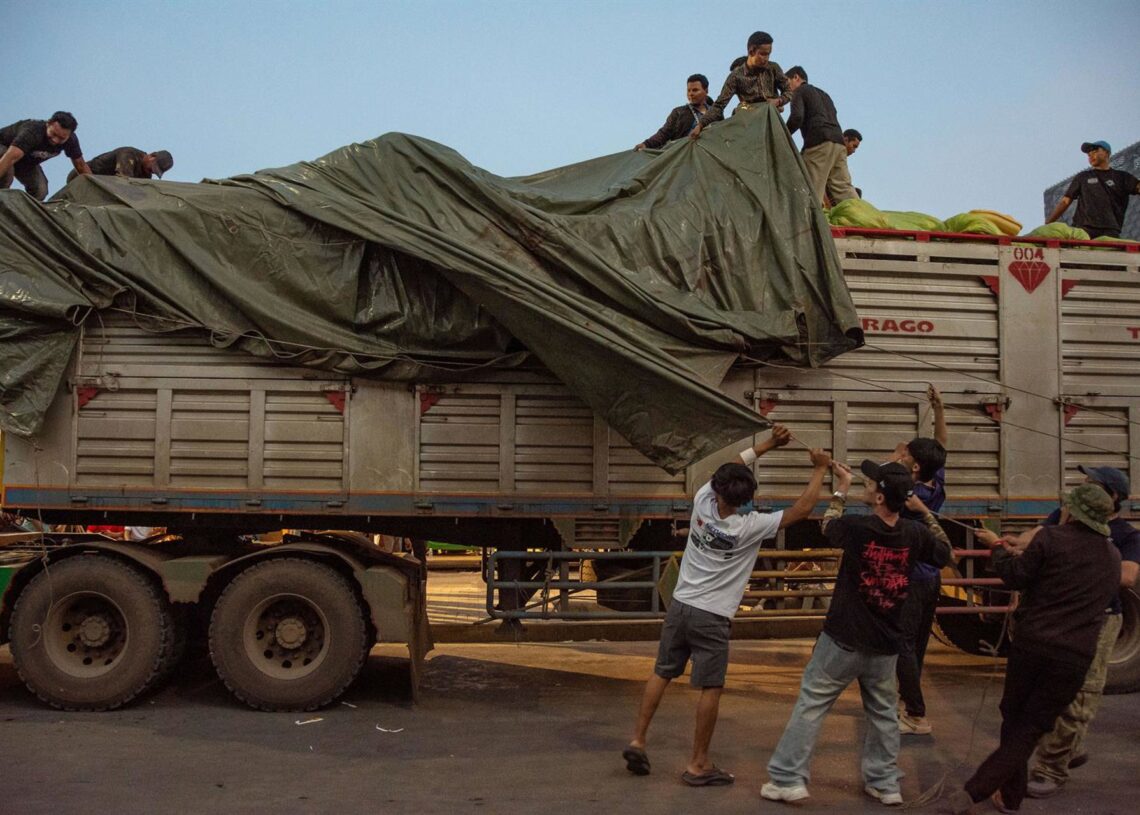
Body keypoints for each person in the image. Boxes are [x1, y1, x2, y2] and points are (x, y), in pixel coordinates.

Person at [623, 426, 831, 787]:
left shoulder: (703, 501)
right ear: (745, 499)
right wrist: (819, 468)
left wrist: (767, 444)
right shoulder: (749, 526)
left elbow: (732, 464)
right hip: (713, 616)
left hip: (680, 606)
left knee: (663, 672)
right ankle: (698, 763)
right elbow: (804, 508)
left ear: (718, 490)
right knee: (710, 688)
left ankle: (638, 740)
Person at [762, 460, 952, 807]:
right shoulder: (915, 534)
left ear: (880, 497)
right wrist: (924, 512)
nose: (866, 487)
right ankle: (884, 783)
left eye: (870, 485)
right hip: (886, 643)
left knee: (811, 704)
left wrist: (841, 486)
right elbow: (945, 552)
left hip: (844, 638)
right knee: (882, 713)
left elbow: (828, 525)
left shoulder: (858, 528)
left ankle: (788, 779)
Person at [949, 484, 1121, 815]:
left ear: (1072, 512)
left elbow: (1014, 576)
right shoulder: (1112, 556)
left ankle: (976, 793)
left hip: (1034, 646)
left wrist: (997, 546)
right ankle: (1005, 797)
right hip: (1075, 658)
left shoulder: (1051, 539)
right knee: (1029, 728)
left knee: (1014, 721)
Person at [1022, 466, 1140, 798]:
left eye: (1091, 484)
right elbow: (1032, 539)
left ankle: (1051, 769)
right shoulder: (1063, 515)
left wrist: (1079, 567)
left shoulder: (1125, 535)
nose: (1082, 487)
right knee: (1049, 690)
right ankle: (1069, 748)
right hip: (1062, 618)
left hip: (1100, 621)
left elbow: (1128, 576)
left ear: (1113, 497)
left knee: (1081, 695)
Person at [890, 385, 948, 736]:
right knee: (916, 645)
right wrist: (939, 410)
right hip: (930, 579)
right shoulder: (934, 481)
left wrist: (895, 456)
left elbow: (877, 482)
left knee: (902, 644)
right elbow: (941, 446)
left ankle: (915, 713)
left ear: (913, 465)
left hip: (910, 579)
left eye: (906, 454)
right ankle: (905, 701)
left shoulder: (908, 494)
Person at [690, 31, 793, 139]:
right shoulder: (736, 76)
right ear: (751, 51)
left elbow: (789, 91)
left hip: (771, 124)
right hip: (749, 126)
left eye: (768, 54)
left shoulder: (773, 68)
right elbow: (719, 105)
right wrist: (700, 125)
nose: (766, 58)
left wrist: (778, 101)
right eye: (763, 54)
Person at [783, 66, 856, 208]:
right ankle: (865, 221)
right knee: (844, 189)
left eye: (787, 83)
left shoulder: (800, 91)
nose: (786, 89)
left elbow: (797, 117)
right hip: (838, 143)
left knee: (810, 189)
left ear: (796, 77)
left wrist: (783, 133)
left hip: (819, 143)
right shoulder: (824, 95)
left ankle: (811, 227)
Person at [1046, 141, 1140, 239]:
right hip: (1083, 229)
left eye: (1095, 152)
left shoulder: (1122, 177)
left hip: (1110, 230)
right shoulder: (1083, 177)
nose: (1091, 156)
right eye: (1089, 155)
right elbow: (1065, 201)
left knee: (1110, 253)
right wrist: (1048, 223)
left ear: (1106, 153)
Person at [0, 112, 90, 200]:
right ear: (48, 123)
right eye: (54, 134)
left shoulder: (71, 141)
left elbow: (81, 166)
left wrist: (94, 187)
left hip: (25, 162)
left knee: (40, 191)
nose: (55, 140)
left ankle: (20, 212)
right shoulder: (33, 131)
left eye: (61, 138)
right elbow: (10, 157)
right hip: (6, 151)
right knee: (7, 175)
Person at [635, 75, 714, 151]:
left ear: (706, 91)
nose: (691, 94)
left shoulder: (715, 113)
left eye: (695, 90)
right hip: (686, 157)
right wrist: (646, 144)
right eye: (688, 90)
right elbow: (664, 133)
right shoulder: (679, 112)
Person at [67, 147, 172, 182]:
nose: (153, 171)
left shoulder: (146, 175)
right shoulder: (128, 155)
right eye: (153, 167)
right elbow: (122, 183)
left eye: (156, 171)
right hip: (81, 177)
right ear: (152, 156)